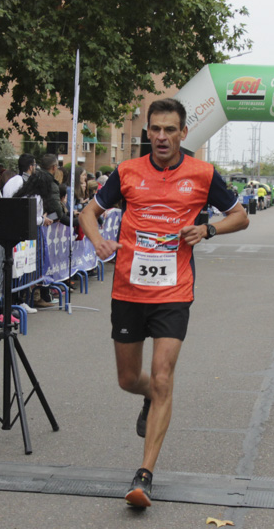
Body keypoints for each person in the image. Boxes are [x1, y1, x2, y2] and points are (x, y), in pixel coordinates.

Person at [77, 98, 248, 508]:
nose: (161, 136)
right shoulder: (127, 171)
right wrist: (99, 240)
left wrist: (207, 230)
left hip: (174, 290)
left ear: (183, 133)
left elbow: (240, 215)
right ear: (147, 132)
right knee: (129, 378)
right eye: (155, 129)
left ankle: (144, 475)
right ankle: (150, 396)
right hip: (128, 288)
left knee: (163, 375)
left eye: (170, 129)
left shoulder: (203, 174)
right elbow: (88, 211)